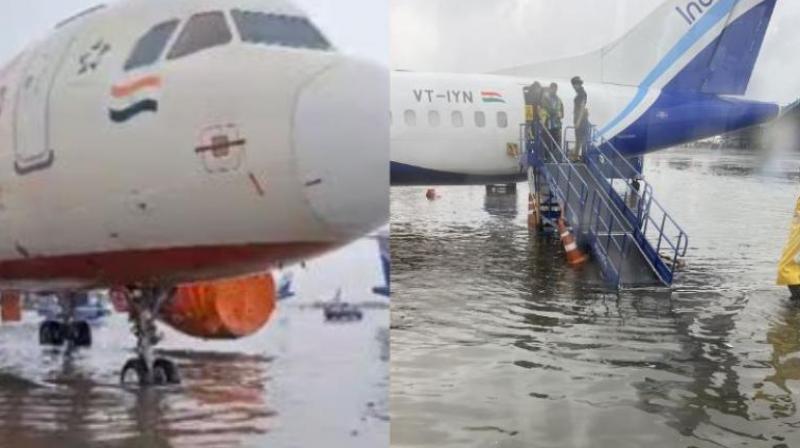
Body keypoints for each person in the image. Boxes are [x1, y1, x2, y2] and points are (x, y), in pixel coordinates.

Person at [572, 76, 590, 161]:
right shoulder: (580, 94)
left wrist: (578, 122)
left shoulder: (582, 94)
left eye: (575, 84)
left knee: (581, 140)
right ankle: (576, 157)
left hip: (581, 120)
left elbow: (582, 108)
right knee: (579, 140)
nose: (574, 86)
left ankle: (581, 158)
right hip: (579, 119)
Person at [544, 82, 564, 150]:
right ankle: (547, 154)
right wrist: (557, 113)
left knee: (557, 142)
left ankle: (556, 153)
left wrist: (560, 114)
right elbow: (548, 109)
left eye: (555, 89)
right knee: (548, 142)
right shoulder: (545, 98)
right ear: (550, 89)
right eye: (553, 89)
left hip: (557, 125)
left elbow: (562, 113)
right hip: (548, 124)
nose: (554, 91)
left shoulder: (559, 99)